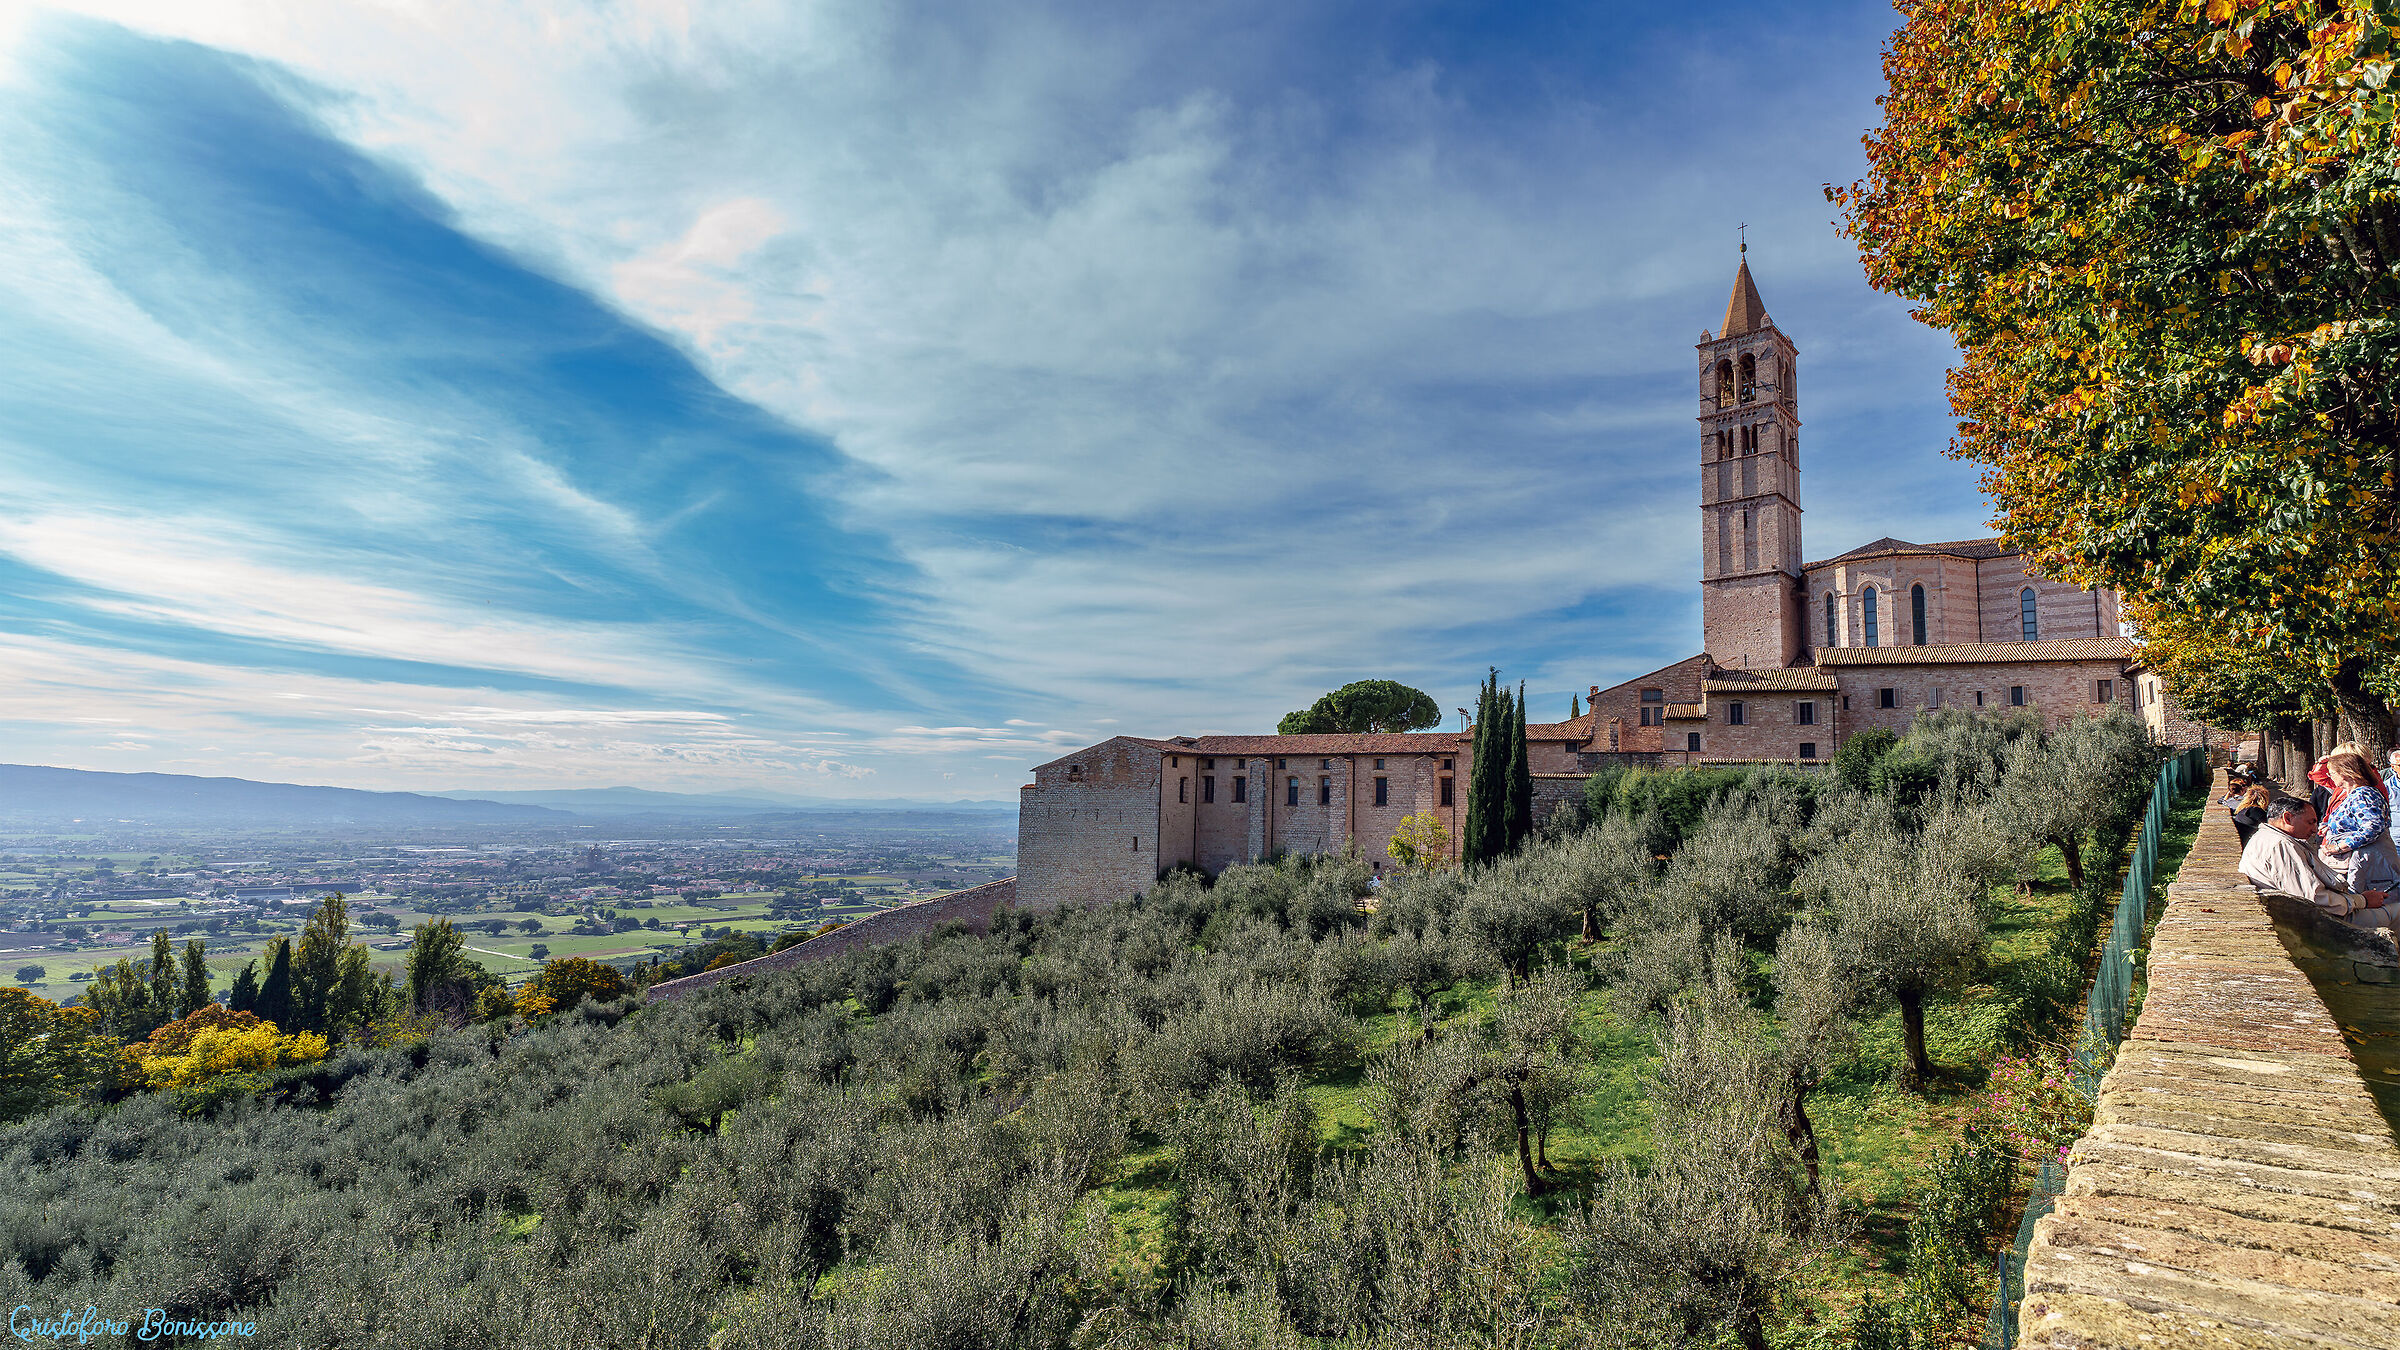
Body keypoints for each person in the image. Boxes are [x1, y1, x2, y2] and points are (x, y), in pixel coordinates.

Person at [2241, 797, 2399, 931]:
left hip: (2302, 914)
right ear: (2287, 818)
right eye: (2310, 822)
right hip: (2319, 923)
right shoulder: (2281, 846)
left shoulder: (2265, 838)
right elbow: (2313, 899)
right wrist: (2361, 901)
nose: (2315, 830)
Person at [2318, 750, 2400, 900]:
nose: (2330, 776)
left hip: (2369, 863)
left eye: (2332, 773)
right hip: (2362, 862)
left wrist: (2339, 847)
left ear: (2344, 773)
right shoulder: (2356, 793)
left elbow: (2372, 828)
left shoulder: (2363, 794)